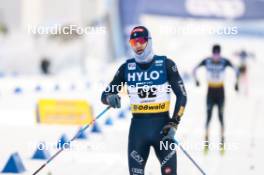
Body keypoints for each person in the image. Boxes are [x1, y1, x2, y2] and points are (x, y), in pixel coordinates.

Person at [101, 26, 187, 175]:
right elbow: (105, 95)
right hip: (138, 131)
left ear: (149, 41)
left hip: (163, 129)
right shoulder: (126, 68)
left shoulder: (166, 65)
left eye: (141, 41)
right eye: (134, 43)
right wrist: (110, 98)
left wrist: (174, 122)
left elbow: (182, 95)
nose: (138, 46)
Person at [193, 44, 239, 155]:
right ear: (212, 53)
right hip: (210, 91)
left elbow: (236, 70)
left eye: (218, 54)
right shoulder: (207, 61)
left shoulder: (224, 61)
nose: (216, 56)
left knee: (220, 117)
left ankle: (222, 144)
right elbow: (194, 69)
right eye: (214, 54)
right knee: (208, 118)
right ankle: (206, 144)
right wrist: (196, 81)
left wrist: (236, 83)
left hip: (220, 92)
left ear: (220, 53)